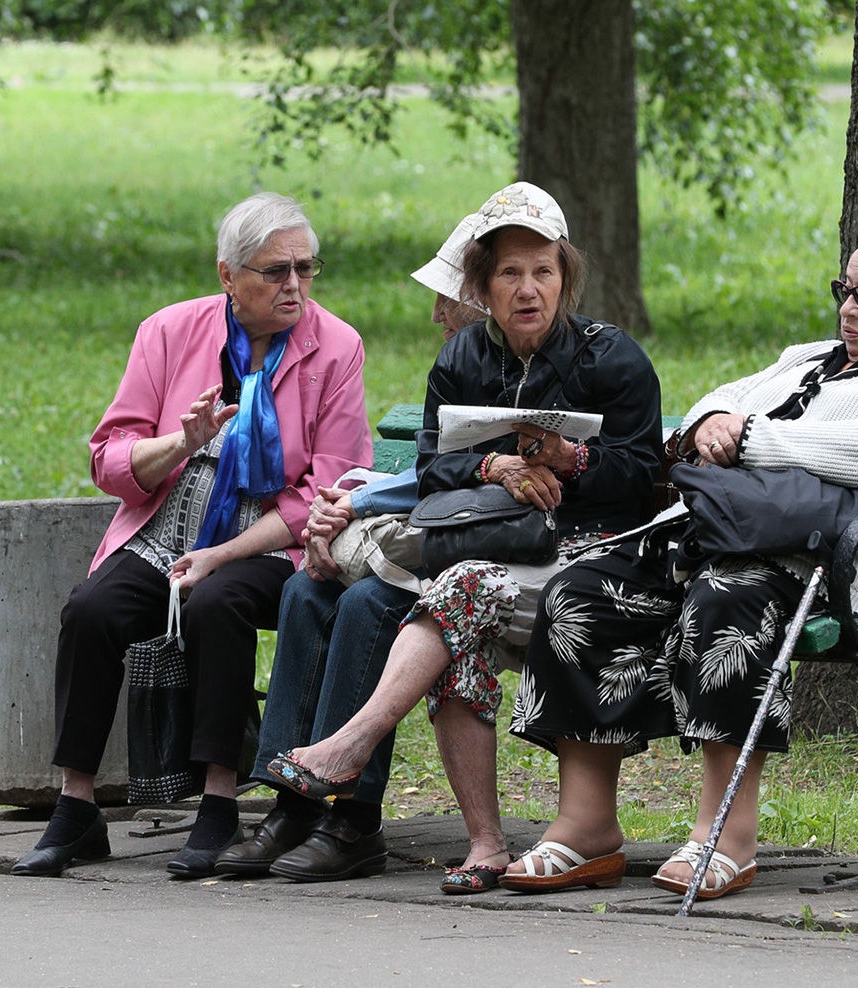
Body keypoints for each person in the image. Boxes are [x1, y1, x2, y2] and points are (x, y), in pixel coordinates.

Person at [509, 220, 858, 897]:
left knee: (727, 595)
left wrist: (755, 439)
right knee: (582, 590)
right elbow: (714, 406)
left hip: (849, 566)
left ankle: (726, 834)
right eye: (844, 289)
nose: (848, 308)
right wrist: (717, 423)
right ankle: (587, 823)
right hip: (726, 540)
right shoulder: (810, 359)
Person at [263, 182, 666, 893]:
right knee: (436, 614)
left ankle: (351, 749)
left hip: (591, 556)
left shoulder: (613, 358)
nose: (528, 288)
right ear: (482, 285)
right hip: (490, 550)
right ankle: (483, 843)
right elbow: (431, 464)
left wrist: (570, 459)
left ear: (565, 277)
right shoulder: (463, 361)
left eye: (543, 270)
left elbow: (643, 475)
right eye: (509, 273)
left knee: (454, 594)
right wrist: (494, 463)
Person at [11, 192, 371, 880]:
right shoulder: (169, 332)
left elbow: (331, 487)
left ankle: (218, 802)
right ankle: (77, 806)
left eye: (305, 268)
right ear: (227, 276)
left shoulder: (337, 347)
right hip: (164, 532)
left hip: (269, 547)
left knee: (217, 601)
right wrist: (182, 441)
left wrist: (221, 554)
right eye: (275, 271)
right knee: (90, 612)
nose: (294, 285)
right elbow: (110, 459)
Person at [217, 211, 488, 883]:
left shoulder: (513, 369)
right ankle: (290, 800)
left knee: (370, 601)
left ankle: (351, 816)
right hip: (431, 537)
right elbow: (428, 468)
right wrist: (347, 505)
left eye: (446, 298)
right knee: (307, 587)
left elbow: (455, 478)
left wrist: (353, 503)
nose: (434, 314)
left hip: (480, 547)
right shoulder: (460, 363)